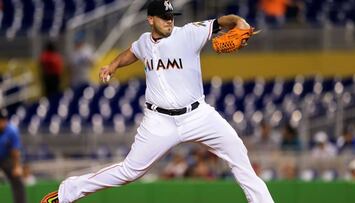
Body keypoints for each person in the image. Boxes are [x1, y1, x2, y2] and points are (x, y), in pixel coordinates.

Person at [41, 1, 274, 203]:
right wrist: (112, 66)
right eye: (164, 17)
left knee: (240, 158)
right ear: (150, 19)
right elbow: (131, 52)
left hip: (198, 115)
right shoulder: (143, 41)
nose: (169, 21)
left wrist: (239, 21)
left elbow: (222, 21)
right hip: (159, 121)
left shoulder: (189, 33)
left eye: (171, 17)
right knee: (129, 171)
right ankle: (66, 193)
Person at [0, 109, 27, 203]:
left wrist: (17, 166)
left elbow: (15, 151)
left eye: (4, 120)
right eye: (0, 120)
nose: (2, 122)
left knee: (17, 180)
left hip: (7, 158)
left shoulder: (12, 131)